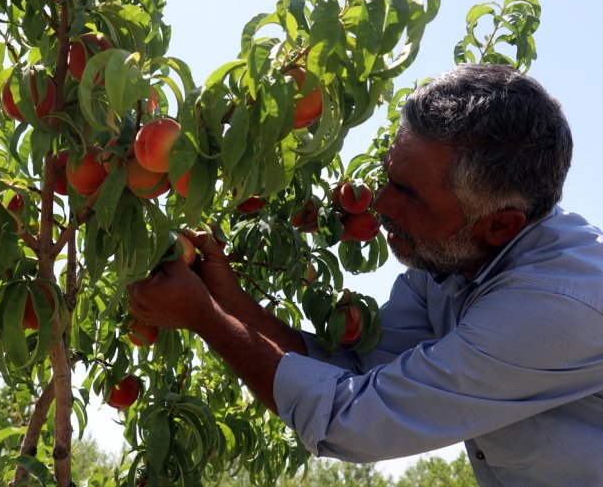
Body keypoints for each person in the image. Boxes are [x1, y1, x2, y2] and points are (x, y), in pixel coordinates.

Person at [126, 63, 603, 487]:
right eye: (387, 176)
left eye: (409, 195)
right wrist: (229, 300)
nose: (380, 204)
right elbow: (354, 373)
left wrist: (207, 320)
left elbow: (349, 420)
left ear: (500, 224)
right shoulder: (445, 264)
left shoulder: (554, 307)